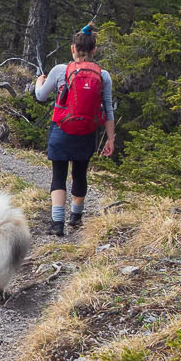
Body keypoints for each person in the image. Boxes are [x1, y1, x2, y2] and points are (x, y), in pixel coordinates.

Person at [33, 26, 116, 236]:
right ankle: (76, 218)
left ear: (73, 49)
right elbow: (108, 109)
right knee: (80, 175)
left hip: (61, 129)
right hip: (87, 132)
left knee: (58, 176)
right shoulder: (103, 76)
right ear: (94, 50)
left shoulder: (60, 70)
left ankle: (57, 224)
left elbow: (41, 96)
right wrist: (110, 139)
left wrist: (38, 82)